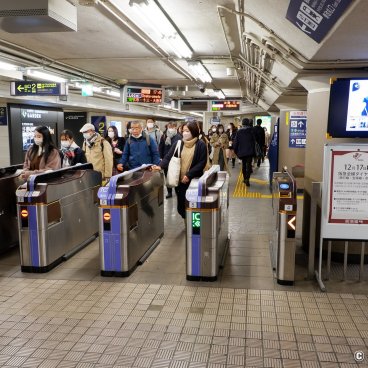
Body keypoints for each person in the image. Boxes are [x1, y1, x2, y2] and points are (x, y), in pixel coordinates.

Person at [152, 121, 207, 220]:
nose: (184, 133)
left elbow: (201, 163)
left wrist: (189, 175)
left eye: (187, 131)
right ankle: (187, 220)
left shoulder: (200, 145)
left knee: (193, 205)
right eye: (183, 130)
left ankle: (193, 226)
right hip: (180, 181)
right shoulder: (179, 143)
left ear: (193, 131)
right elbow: (168, 157)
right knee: (181, 207)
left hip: (193, 181)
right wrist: (160, 166)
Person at [159, 122, 181, 198]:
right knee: (167, 175)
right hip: (166, 158)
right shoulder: (164, 136)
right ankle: (169, 192)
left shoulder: (179, 137)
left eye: (172, 127)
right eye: (169, 127)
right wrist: (161, 157)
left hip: (175, 159)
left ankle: (177, 191)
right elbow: (161, 147)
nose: (171, 128)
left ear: (175, 127)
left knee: (175, 175)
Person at [233, 118, 256, 187]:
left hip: (242, 151)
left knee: (244, 165)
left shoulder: (239, 131)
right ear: (248, 123)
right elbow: (254, 141)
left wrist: (236, 151)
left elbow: (236, 142)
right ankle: (247, 179)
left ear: (242, 123)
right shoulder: (252, 130)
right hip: (250, 151)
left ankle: (245, 178)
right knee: (249, 165)